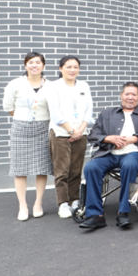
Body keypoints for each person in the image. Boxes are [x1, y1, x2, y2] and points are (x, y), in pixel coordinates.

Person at [79, 82, 138, 230]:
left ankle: (123, 212)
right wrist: (108, 138)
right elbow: (93, 135)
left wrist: (135, 138)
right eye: (127, 94)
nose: (130, 97)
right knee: (91, 168)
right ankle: (95, 215)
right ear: (121, 96)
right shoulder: (107, 113)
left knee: (129, 165)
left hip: (132, 153)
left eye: (134, 94)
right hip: (108, 152)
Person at [3, 52, 53, 221]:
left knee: (42, 167)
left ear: (43, 66)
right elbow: (8, 107)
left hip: (43, 128)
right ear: (25, 65)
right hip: (20, 129)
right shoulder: (15, 84)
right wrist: (24, 118)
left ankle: (38, 203)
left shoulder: (50, 86)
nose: (34, 65)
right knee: (20, 169)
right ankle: (22, 205)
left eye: (38, 62)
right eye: (31, 62)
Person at [47, 55, 94, 219]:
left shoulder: (84, 85)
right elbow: (55, 113)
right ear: (61, 68)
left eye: (75, 67)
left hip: (81, 133)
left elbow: (89, 110)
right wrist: (71, 130)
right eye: (68, 67)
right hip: (61, 133)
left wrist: (80, 130)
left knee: (76, 169)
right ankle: (63, 203)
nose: (72, 70)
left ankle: (74, 199)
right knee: (62, 170)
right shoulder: (53, 86)